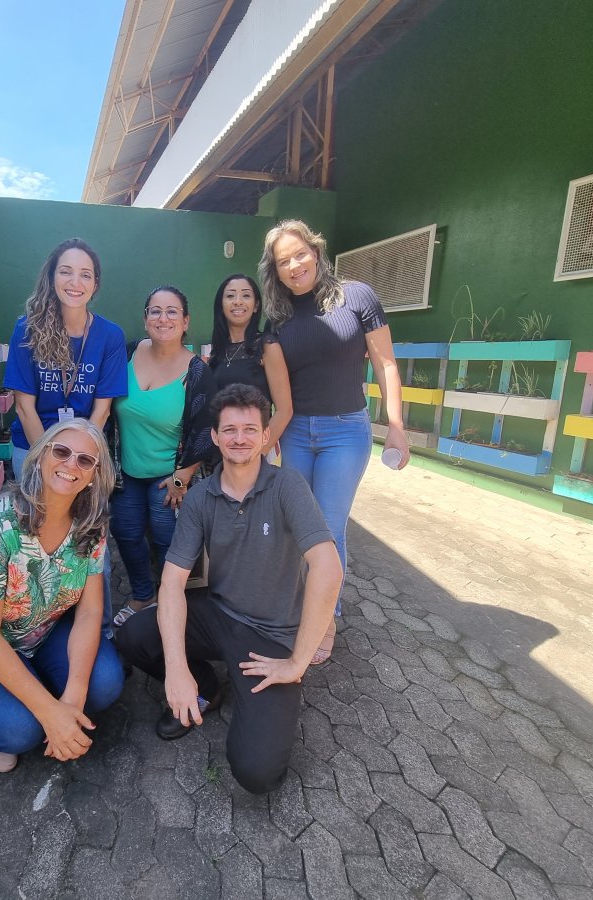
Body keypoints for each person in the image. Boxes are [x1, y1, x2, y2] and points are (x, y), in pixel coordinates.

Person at [115, 384, 342, 794]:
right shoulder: (200, 497)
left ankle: (253, 693)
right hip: (218, 613)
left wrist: (297, 663)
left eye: (250, 429)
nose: (240, 438)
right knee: (132, 635)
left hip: (271, 637)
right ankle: (205, 688)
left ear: (265, 435)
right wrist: (177, 670)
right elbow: (172, 582)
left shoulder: (287, 486)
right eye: (230, 430)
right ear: (215, 437)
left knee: (257, 772)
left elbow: (328, 568)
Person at [0, 419, 124, 772]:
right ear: (42, 456)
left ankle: (33, 690)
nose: (70, 464)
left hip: (40, 629)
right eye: (61, 452)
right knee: (20, 730)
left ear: (95, 475)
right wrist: (50, 712)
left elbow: (90, 613)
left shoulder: (91, 523)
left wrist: (74, 695)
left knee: (103, 684)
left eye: (85, 460)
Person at [259, 219, 409, 665]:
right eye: (283, 262)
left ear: (317, 252)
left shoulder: (357, 297)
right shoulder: (278, 319)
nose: (294, 266)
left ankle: (326, 618)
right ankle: (299, 605)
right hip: (297, 432)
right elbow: (278, 390)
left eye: (299, 254)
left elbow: (386, 364)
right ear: (275, 271)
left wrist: (396, 424)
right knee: (295, 525)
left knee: (326, 526)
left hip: (346, 430)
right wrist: (270, 436)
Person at [3, 238, 127, 637]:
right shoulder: (27, 328)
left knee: (90, 539)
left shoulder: (109, 335)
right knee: (33, 542)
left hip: (86, 456)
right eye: (66, 271)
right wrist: (50, 462)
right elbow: (24, 406)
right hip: (33, 449)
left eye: (85, 275)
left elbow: (102, 410)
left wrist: (77, 461)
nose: (75, 282)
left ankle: (99, 632)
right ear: (52, 276)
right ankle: (33, 630)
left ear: (96, 284)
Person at [109, 285, 217, 627]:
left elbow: (206, 430)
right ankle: (143, 595)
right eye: (155, 311)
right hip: (126, 473)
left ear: (186, 322)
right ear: (145, 320)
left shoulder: (197, 371)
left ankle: (171, 603)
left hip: (169, 477)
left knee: (167, 540)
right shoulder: (128, 353)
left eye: (172, 311)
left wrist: (182, 477)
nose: (163, 318)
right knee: (125, 533)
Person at [207, 274, 292, 454]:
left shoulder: (267, 346)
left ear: (256, 306)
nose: (238, 301)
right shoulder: (217, 351)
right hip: (221, 451)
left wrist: (257, 454)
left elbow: (284, 411)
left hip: (256, 450)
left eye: (246, 295)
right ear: (221, 305)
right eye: (230, 296)